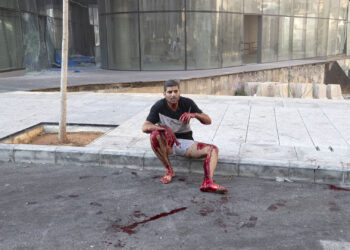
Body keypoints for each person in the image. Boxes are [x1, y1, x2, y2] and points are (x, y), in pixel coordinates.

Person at [142, 80, 228, 194]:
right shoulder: (158, 106)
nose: (173, 94)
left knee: (213, 149)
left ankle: (208, 183)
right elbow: (145, 127)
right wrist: (164, 129)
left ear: (179, 92)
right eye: (169, 92)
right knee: (154, 135)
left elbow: (208, 121)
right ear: (164, 94)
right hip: (167, 144)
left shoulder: (187, 103)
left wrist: (195, 115)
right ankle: (169, 171)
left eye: (175, 91)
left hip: (185, 143)